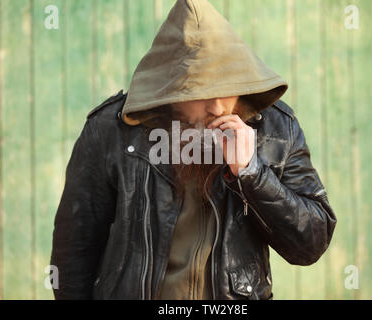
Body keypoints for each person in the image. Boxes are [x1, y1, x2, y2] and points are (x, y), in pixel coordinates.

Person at [50, 0, 337, 300]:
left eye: (226, 85)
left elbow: (311, 244)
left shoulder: (276, 128)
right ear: (170, 87)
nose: (217, 106)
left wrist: (251, 172)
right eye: (200, 90)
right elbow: (74, 252)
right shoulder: (111, 130)